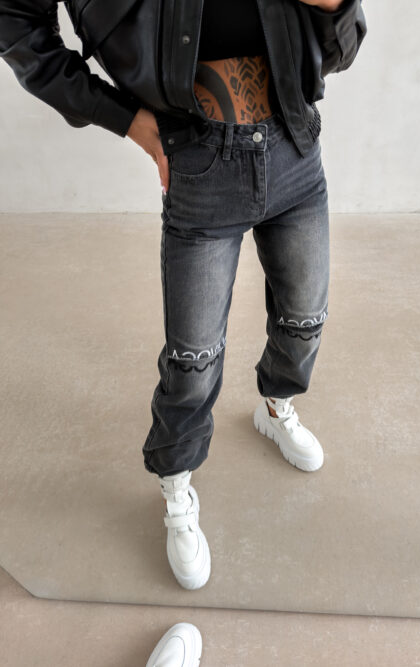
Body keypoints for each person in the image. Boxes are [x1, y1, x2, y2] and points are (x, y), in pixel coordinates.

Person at [0, 0, 367, 599]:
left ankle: (275, 406)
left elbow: (342, 50)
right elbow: (17, 21)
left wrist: (336, 5)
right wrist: (123, 118)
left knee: (305, 317)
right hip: (198, 162)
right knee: (193, 360)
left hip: (295, 147)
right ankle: (176, 483)